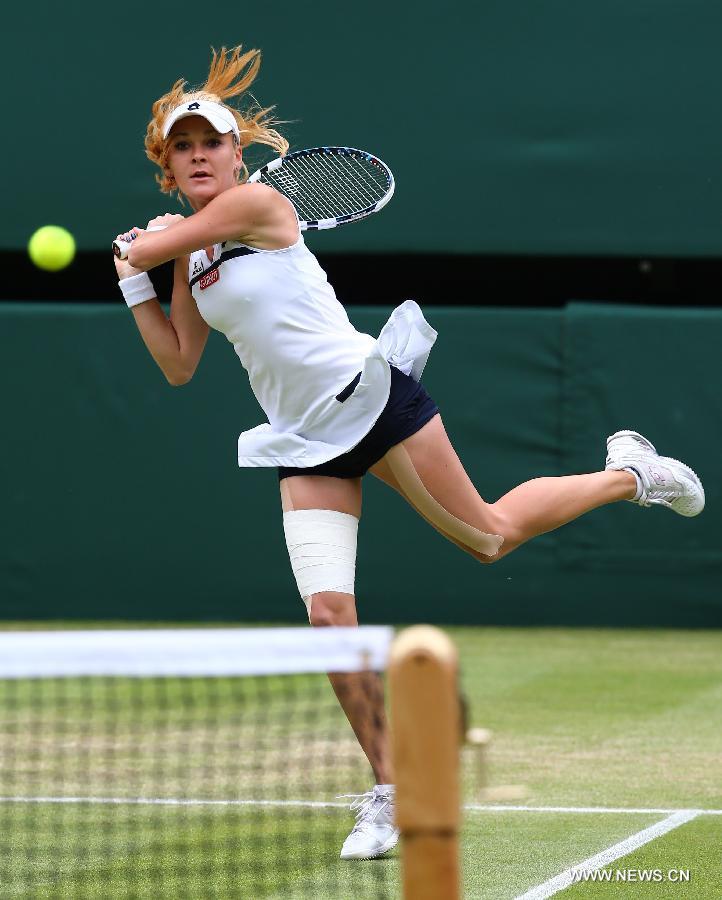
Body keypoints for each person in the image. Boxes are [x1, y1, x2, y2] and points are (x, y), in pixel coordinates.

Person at [114, 46, 705, 861]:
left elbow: (150, 246)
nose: (199, 156)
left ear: (236, 155)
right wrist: (138, 283)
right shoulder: (192, 253)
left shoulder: (252, 205)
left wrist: (148, 245)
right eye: (183, 148)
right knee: (329, 618)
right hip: (305, 438)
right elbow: (179, 362)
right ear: (169, 165)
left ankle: (630, 471)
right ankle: (392, 786)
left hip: (371, 401)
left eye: (210, 142)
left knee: (490, 537)